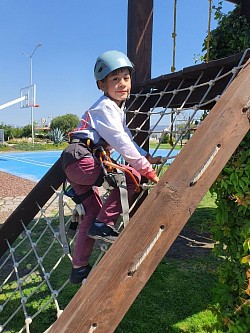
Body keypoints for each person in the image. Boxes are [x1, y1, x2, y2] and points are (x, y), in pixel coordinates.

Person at [61, 50, 162, 284]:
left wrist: (147, 155)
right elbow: (122, 143)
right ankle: (104, 225)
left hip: (74, 162)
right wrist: (147, 169)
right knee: (133, 176)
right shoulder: (105, 108)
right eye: (115, 79)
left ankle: (79, 268)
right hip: (82, 159)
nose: (122, 84)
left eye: (126, 78)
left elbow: (126, 136)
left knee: (91, 212)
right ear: (101, 85)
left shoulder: (114, 109)